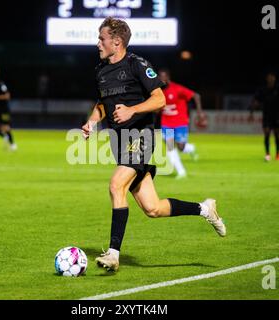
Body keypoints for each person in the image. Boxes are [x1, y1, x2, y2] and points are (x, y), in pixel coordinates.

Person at [81, 17, 226, 272]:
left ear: (117, 42)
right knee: (153, 208)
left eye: (101, 39)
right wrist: (92, 122)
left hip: (141, 139)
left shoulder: (137, 64)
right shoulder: (101, 71)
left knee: (116, 186)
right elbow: (103, 103)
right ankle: (205, 209)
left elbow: (159, 99)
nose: (98, 44)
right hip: (120, 143)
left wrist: (132, 110)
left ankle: (114, 254)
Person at [158, 69, 206, 179]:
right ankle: (181, 172)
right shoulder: (157, 91)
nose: (161, 79)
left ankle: (191, 148)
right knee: (170, 147)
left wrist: (200, 113)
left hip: (180, 122)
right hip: (166, 124)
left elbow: (196, 96)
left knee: (181, 147)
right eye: (160, 77)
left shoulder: (177, 89)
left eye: (163, 77)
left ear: (168, 77)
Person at [249, 71, 279, 162]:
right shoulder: (263, 90)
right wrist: (251, 113)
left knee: (277, 135)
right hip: (266, 115)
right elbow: (256, 101)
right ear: (267, 78)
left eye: (272, 77)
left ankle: (278, 154)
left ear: (274, 78)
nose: (270, 79)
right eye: (269, 77)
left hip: (276, 115)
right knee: (267, 133)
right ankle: (267, 154)